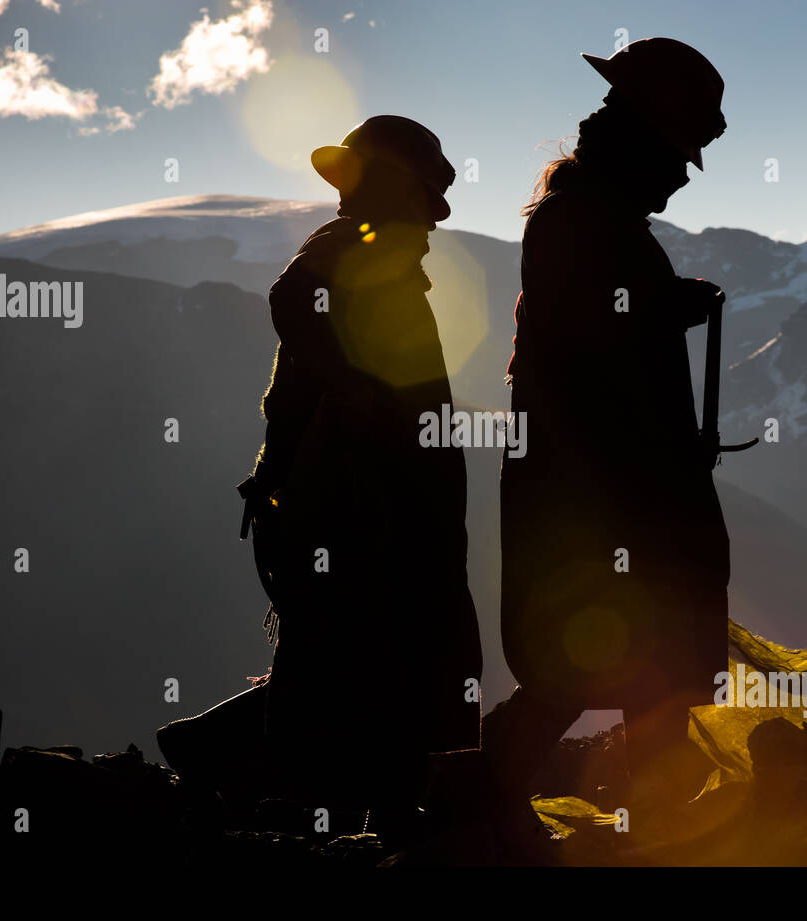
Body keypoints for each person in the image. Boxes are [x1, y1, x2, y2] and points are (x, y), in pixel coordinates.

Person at [159, 116, 482, 840]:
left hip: (361, 504)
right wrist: (355, 388)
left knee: (350, 654)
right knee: (371, 652)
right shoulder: (347, 251)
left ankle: (277, 779)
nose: (434, 221)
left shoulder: (365, 257)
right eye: (425, 200)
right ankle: (351, 814)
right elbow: (293, 297)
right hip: (354, 509)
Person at [488, 38, 732, 829]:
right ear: (645, 138)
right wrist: (665, 310)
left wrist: (663, 305)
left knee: (628, 655)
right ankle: (653, 821)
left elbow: (592, 325)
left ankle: (496, 802)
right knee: (644, 652)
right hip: (611, 488)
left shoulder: (584, 215)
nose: (679, 176)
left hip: (606, 484)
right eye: (677, 155)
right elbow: (594, 339)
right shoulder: (586, 221)